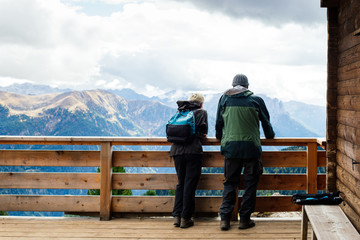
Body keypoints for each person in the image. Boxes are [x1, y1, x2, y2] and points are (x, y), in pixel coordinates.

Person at [215, 74, 275, 231]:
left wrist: (221, 139)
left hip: (231, 148)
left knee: (230, 183)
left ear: (233, 85)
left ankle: (225, 220)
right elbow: (266, 122)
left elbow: (219, 123)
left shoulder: (224, 99)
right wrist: (270, 136)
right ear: (247, 86)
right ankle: (245, 220)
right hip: (251, 149)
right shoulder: (256, 100)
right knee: (250, 185)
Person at [170, 93, 208, 228]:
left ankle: (176, 216)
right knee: (190, 184)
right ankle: (186, 218)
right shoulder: (201, 112)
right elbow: (204, 132)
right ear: (201, 104)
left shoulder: (181, 111)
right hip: (193, 151)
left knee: (181, 183)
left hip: (176, 151)